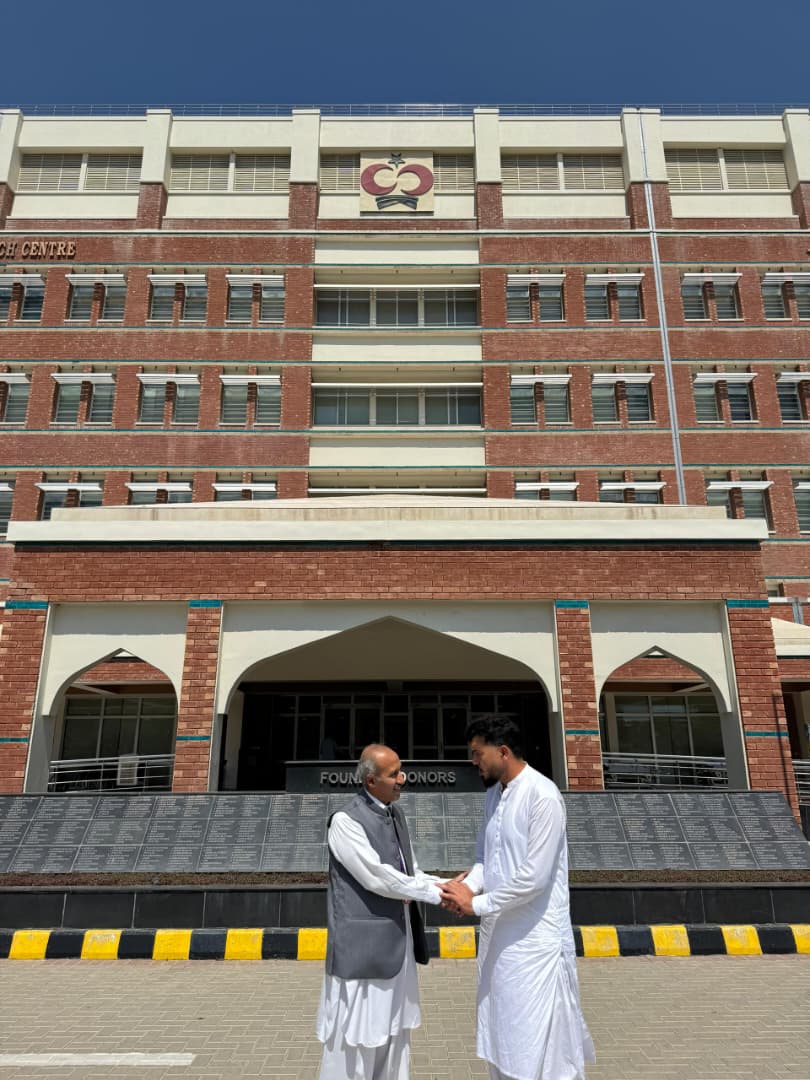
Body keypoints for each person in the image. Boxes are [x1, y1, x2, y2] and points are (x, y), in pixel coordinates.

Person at [440, 716, 595, 1080]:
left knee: (540, 1048)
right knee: (504, 1038)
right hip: (500, 943)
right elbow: (485, 859)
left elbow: (534, 878)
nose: (473, 762)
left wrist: (475, 904)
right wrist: (464, 889)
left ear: (503, 752)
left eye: (478, 754)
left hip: (535, 946)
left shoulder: (543, 796)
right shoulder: (494, 796)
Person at [316, 743, 446, 1080]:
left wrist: (446, 886)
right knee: (355, 1041)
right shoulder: (345, 821)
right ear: (371, 780)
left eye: (401, 771)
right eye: (394, 774)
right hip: (363, 953)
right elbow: (377, 877)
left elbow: (409, 873)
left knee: (394, 1035)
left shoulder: (395, 815)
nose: (402, 779)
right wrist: (435, 894)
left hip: (398, 948)